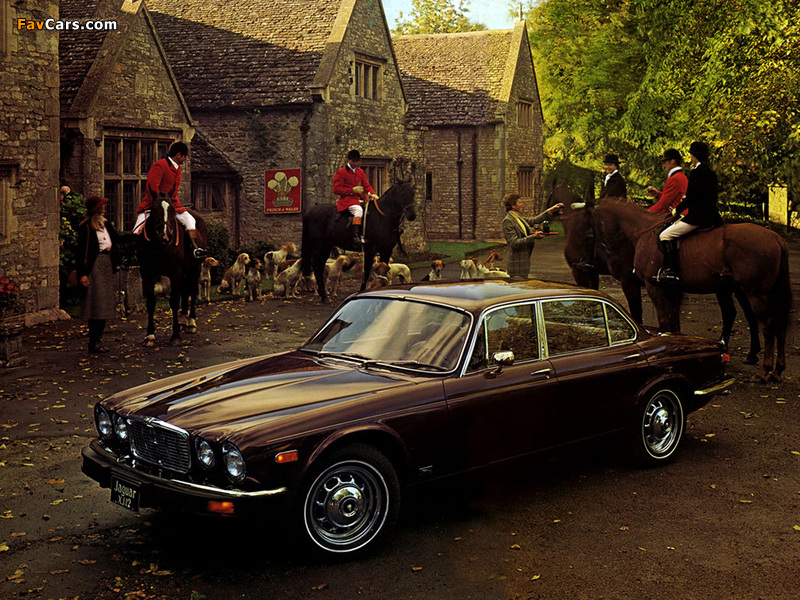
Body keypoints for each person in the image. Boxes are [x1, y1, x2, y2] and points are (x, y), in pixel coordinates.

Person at [654, 141, 723, 284]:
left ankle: (671, 270)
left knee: (665, 235)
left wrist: (677, 210)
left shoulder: (696, 173)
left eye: (691, 155)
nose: (690, 158)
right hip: (713, 216)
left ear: (694, 155)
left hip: (698, 217)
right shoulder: (711, 173)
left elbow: (691, 198)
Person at [133, 141, 206, 258]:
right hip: (154, 203)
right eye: (184, 156)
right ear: (178, 155)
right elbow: (152, 187)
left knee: (190, 220)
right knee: (137, 230)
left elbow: (174, 192)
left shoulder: (178, 168)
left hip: (172, 204)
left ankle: (194, 248)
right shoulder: (160, 165)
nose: (185, 159)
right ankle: (129, 257)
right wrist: (159, 203)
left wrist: (170, 203)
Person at [76, 196, 122, 354]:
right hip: (94, 267)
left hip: (106, 265)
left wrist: (139, 235)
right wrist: (83, 274)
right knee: (96, 305)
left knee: (105, 306)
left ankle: (98, 340)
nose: (104, 208)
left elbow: (117, 239)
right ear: (95, 209)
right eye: (101, 206)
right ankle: (93, 342)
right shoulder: (86, 227)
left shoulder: (105, 224)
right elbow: (80, 253)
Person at [501, 193, 563, 278]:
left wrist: (550, 210)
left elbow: (534, 221)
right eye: (519, 202)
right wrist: (533, 236)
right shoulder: (508, 221)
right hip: (516, 263)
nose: (522, 204)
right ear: (513, 206)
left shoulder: (518, 218)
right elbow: (513, 243)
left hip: (523, 262)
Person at [333, 149, 379, 247]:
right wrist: (352, 190)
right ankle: (356, 236)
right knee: (358, 210)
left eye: (357, 161)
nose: (356, 163)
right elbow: (336, 189)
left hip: (359, 199)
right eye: (354, 161)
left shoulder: (360, 171)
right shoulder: (341, 172)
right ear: (349, 160)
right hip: (346, 201)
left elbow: (366, 185)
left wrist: (373, 194)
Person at [646, 148, 688, 214]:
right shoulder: (680, 176)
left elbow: (663, 204)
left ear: (672, 161)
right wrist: (658, 194)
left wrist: (646, 213)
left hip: (675, 215)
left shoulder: (675, 178)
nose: (663, 166)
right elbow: (671, 198)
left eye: (665, 162)